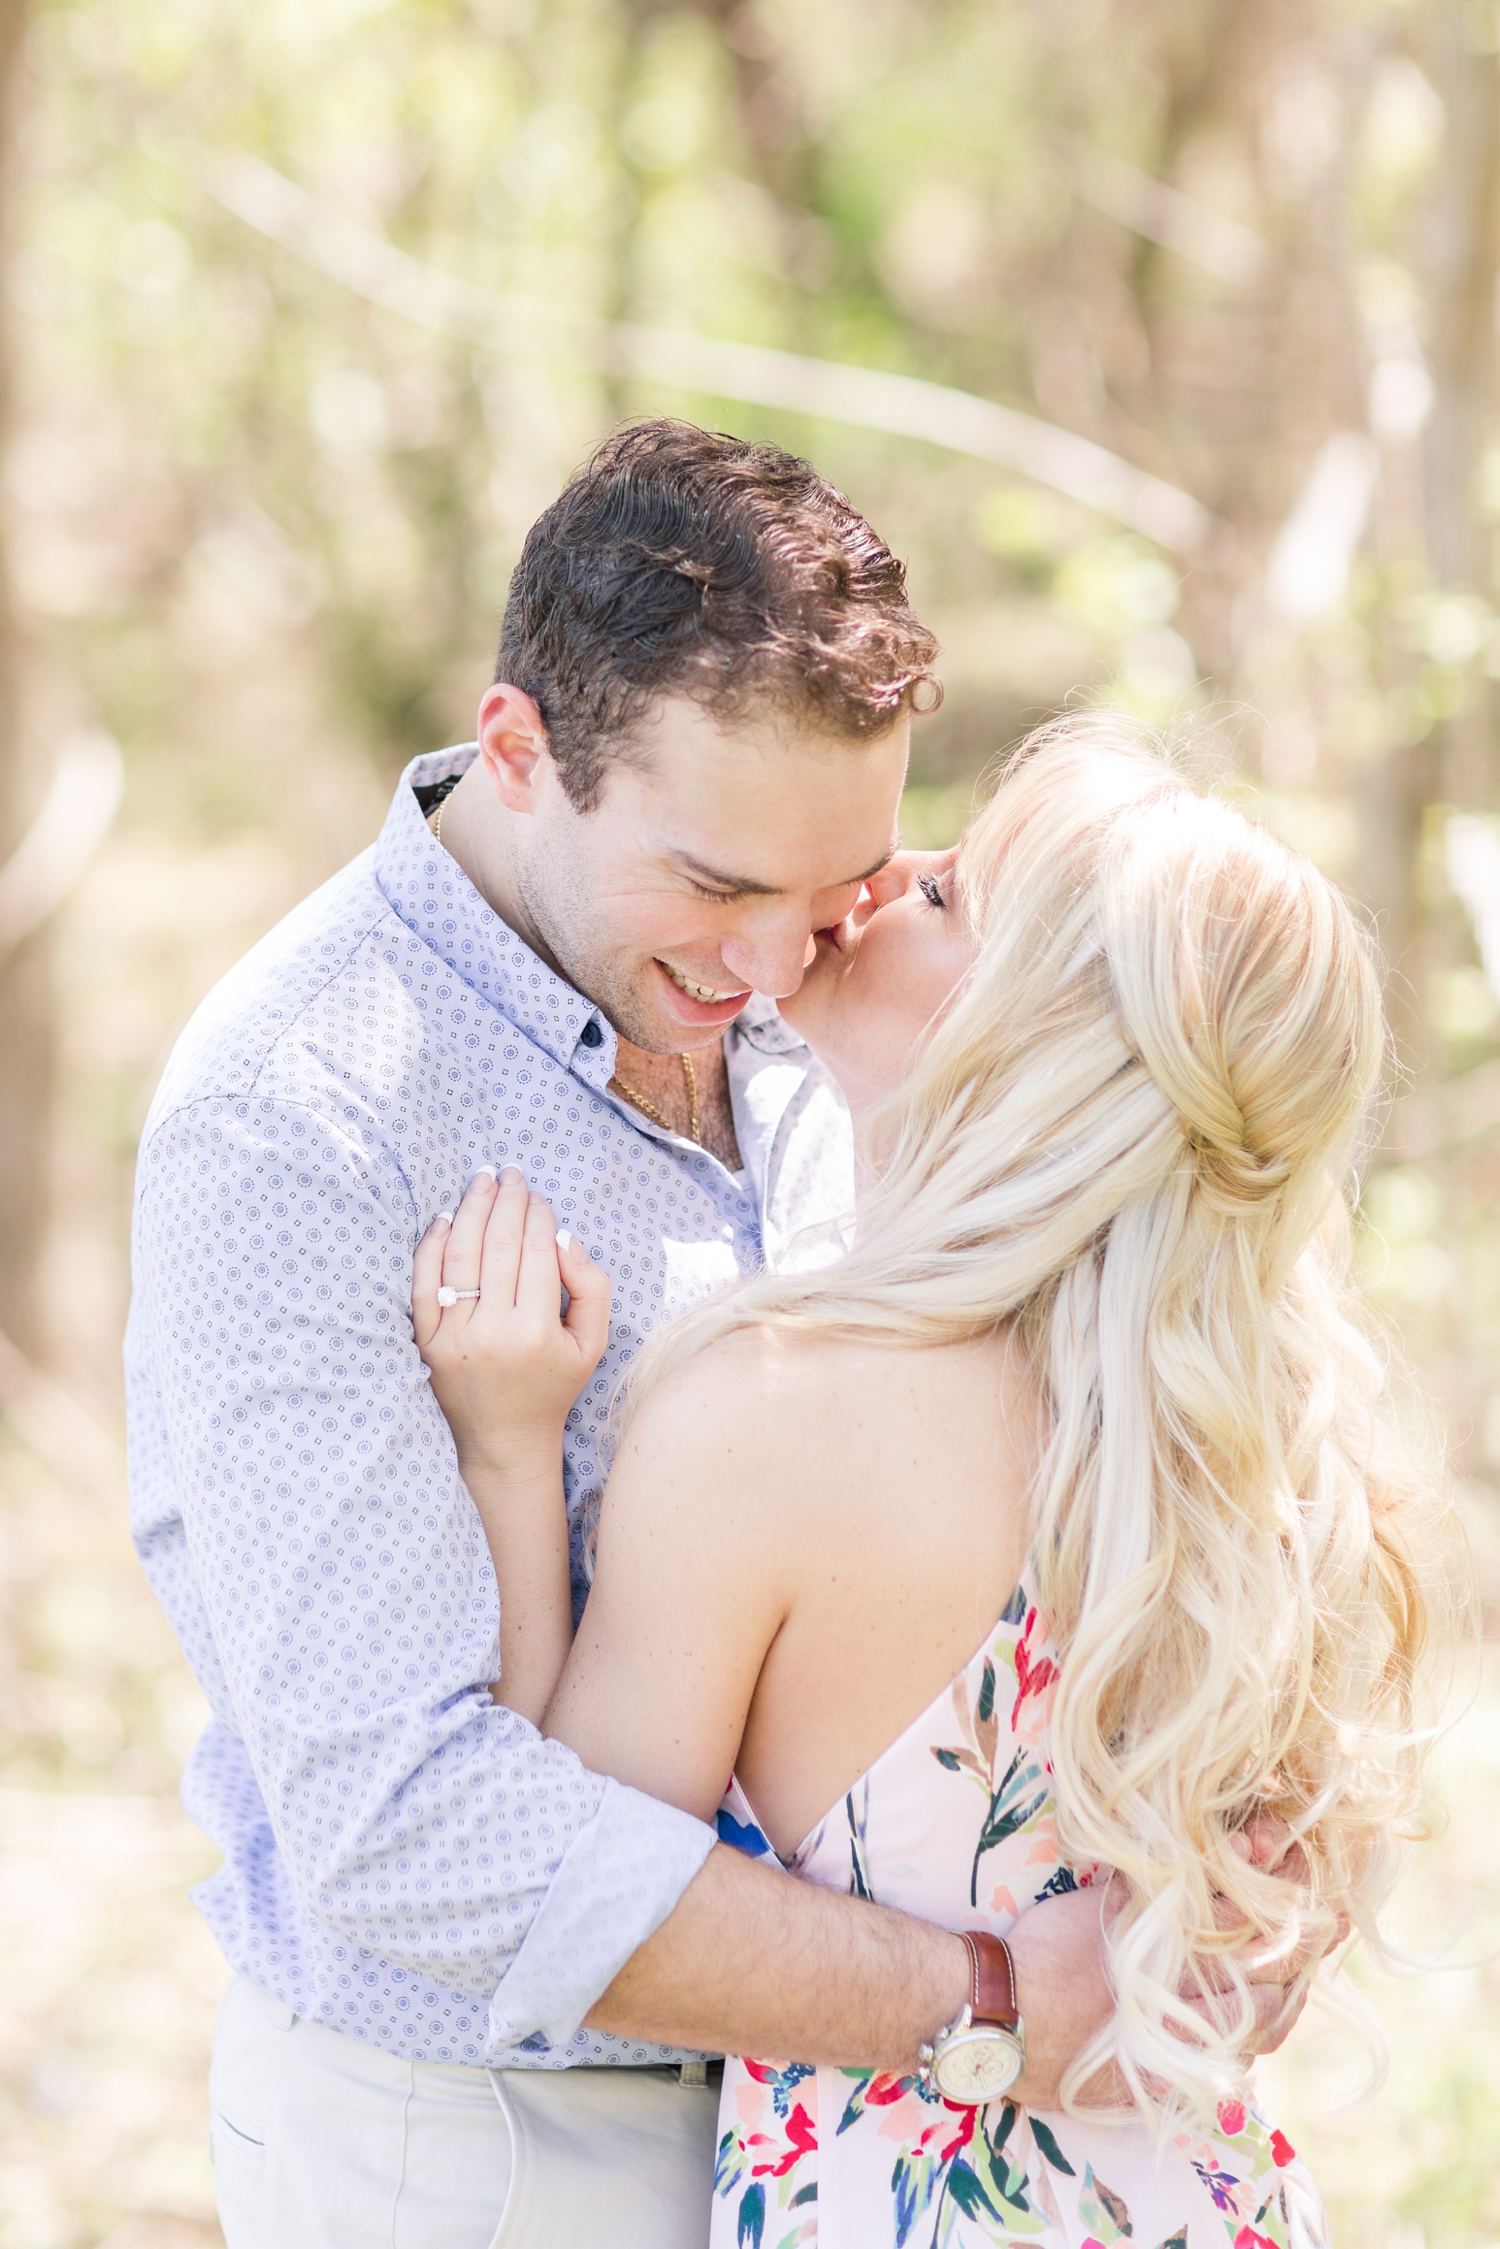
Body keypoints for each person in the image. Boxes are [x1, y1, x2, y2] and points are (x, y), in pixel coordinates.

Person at [127, 422, 1317, 2249]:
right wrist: (986, 2000)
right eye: (715, 887)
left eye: (840, 878)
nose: (776, 966)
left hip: (862, 2139)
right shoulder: (302, 1112)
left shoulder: (866, 1020)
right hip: (505, 2139)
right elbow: (411, 1827)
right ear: (521, 751)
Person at [416, 721, 1457, 2248]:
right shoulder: (1273, 1454)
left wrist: (511, 1448)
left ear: (1036, 1038)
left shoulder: (768, 1411)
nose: (880, 883)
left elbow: (573, 1885)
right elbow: (1258, 1965)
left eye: (954, 896)